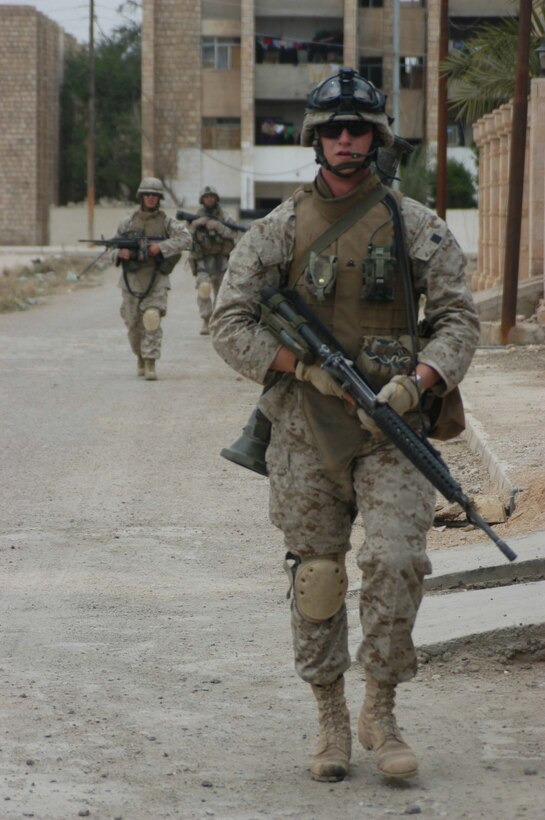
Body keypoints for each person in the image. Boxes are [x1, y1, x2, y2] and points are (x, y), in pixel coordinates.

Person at [210, 68, 480, 783]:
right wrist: (300, 369)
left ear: (376, 137)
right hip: (304, 430)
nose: (346, 140)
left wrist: (416, 381)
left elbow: (458, 321)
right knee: (319, 576)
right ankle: (329, 717)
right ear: (315, 138)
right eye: (334, 129)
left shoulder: (415, 224)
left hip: (392, 428)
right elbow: (228, 325)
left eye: (358, 128)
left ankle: (380, 711)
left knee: (395, 562)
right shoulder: (276, 230)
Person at [114, 177, 192, 380]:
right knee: (133, 325)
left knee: (151, 319)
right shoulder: (127, 222)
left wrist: (161, 247)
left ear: (159, 198)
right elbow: (110, 248)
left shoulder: (167, 223)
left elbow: (186, 239)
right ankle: (140, 355)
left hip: (156, 279)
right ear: (141, 197)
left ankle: (150, 362)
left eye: (154, 195)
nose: (150, 198)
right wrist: (118, 254)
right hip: (131, 281)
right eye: (147, 194)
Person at [189, 185, 239, 335]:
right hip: (203, 259)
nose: (209, 199)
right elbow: (184, 238)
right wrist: (194, 226)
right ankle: (206, 319)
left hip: (221, 259)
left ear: (216, 199)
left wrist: (218, 226)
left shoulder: (225, 216)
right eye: (206, 197)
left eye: (211, 197)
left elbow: (234, 233)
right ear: (202, 200)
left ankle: (218, 320)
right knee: (204, 288)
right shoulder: (195, 217)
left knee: (222, 292)